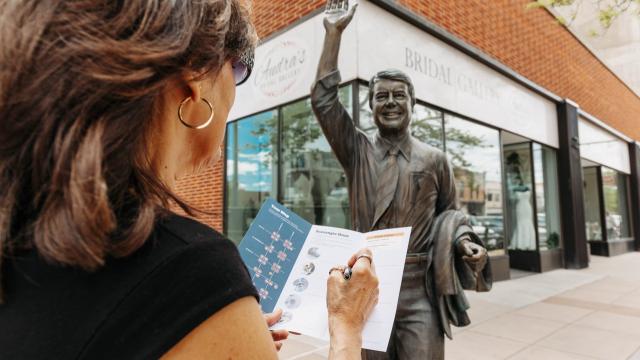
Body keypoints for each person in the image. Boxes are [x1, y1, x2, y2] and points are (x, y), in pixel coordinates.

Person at [0, 1, 378, 359]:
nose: (234, 89)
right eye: (240, 69)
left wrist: (220, 329)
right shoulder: (191, 272)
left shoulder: (17, 240)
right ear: (197, 75)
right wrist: (346, 327)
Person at [311, 1, 493, 359]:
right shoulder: (357, 151)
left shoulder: (435, 159)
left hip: (419, 291)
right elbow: (324, 101)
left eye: (398, 95)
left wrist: (464, 244)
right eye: (381, 96)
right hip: (368, 287)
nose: (390, 102)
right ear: (371, 105)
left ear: (413, 103)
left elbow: (452, 216)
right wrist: (333, 35)